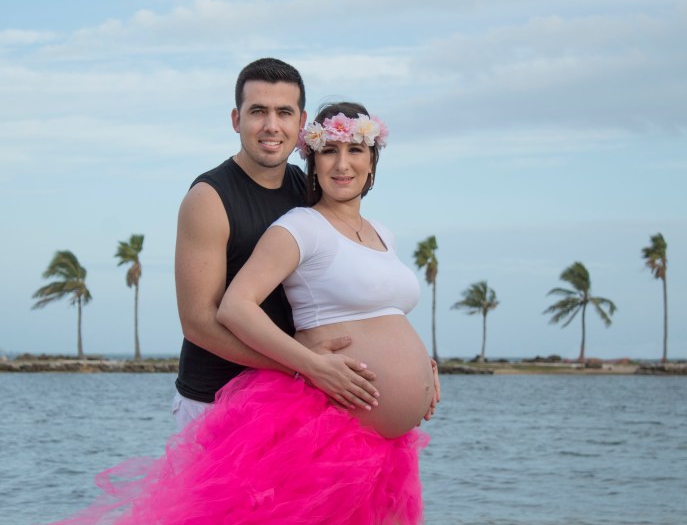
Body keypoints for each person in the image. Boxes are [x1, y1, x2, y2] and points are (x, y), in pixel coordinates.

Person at [51, 102, 439, 525]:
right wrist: (310, 364)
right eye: (329, 151)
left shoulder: (383, 232)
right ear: (312, 161)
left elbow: (384, 312)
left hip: (384, 445)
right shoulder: (300, 226)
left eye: (355, 150)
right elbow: (236, 307)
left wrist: (423, 369)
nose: (342, 164)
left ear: (373, 159)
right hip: (329, 429)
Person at [172, 58, 380, 430]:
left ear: (301, 123)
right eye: (258, 112)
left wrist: (408, 360)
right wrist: (304, 365)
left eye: (284, 112)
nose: (271, 126)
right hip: (217, 402)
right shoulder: (209, 198)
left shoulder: (310, 189)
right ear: (236, 120)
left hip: (293, 397)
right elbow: (198, 323)